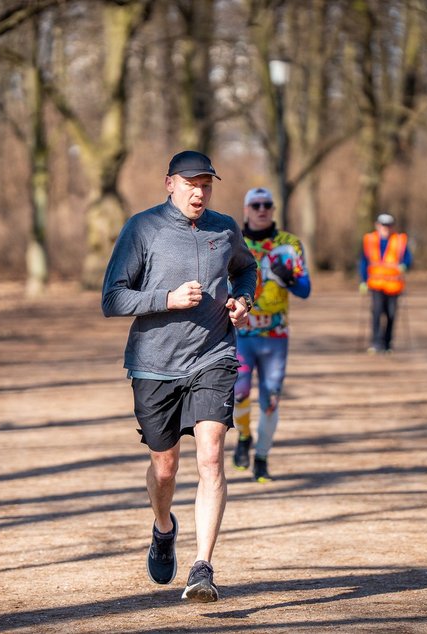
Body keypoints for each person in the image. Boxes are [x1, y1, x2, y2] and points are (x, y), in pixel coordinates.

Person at [101, 150, 257, 603]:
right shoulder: (143, 228)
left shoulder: (225, 227)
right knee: (164, 468)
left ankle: (203, 567)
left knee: (211, 457)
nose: (199, 191)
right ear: (169, 183)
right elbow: (112, 299)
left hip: (214, 355)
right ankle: (164, 527)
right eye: (191, 183)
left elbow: (245, 268)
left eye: (206, 183)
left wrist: (243, 301)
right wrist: (165, 299)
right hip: (154, 364)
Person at [232, 187, 311, 483]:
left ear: (273, 210)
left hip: (276, 336)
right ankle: (243, 436)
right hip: (240, 335)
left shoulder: (289, 244)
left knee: (271, 398)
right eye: (256, 205)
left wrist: (289, 277)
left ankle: (262, 458)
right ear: (246, 210)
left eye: (267, 205)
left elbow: (305, 290)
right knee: (238, 394)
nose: (262, 209)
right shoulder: (233, 241)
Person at [359, 213, 412, 354]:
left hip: (394, 285)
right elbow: (364, 261)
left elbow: (408, 257)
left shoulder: (400, 240)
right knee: (376, 312)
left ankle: (388, 342)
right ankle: (376, 342)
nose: (385, 228)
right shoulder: (369, 240)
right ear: (377, 225)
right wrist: (363, 281)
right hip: (376, 284)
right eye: (383, 225)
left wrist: (405, 265)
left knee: (391, 314)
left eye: (388, 225)